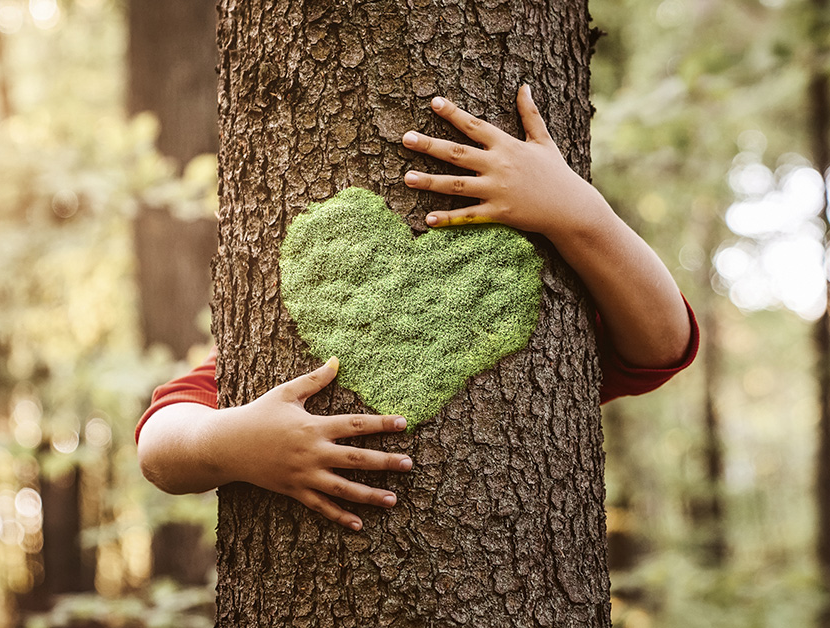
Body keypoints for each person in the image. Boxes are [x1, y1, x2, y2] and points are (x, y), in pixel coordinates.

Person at [135, 85, 699, 532]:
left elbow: (664, 343)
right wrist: (233, 444)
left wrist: (578, 213)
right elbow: (160, 446)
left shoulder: (553, 317)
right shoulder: (276, 341)